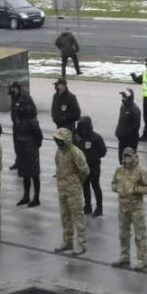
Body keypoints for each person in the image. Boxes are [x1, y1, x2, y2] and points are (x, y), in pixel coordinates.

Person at [111, 147, 147, 270]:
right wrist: (118, 188)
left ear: (134, 156)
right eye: (125, 156)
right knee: (123, 233)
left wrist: (135, 190)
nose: (127, 159)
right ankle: (124, 257)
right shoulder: (119, 170)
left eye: (129, 156)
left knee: (139, 234)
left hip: (136, 207)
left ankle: (142, 260)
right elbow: (113, 184)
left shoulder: (141, 171)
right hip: (123, 206)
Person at [53, 127, 91, 255]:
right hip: (62, 189)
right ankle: (67, 241)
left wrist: (75, 182)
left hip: (73, 190)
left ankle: (82, 244)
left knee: (78, 217)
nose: (58, 142)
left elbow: (85, 171)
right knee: (65, 217)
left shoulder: (76, 152)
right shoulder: (59, 152)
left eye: (60, 140)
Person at [74, 116, 107, 217]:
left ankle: (99, 207)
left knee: (95, 186)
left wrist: (94, 157)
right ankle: (87, 205)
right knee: (85, 186)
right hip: (83, 167)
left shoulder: (96, 137)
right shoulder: (78, 137)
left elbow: (103, 151)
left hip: (94, 166)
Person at [13, 104, 44, 208]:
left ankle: (36, 197)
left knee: (34, 174)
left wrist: (33, 145)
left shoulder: (32, 122)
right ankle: (26, 196)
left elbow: (39, 135)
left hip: (31, 150)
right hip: (23, 150)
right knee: (25, 174)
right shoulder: (20, 121)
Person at [115, 90, 141, 157]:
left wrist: (125, 135)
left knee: (129, 159)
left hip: (130, 141)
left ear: (129, 98)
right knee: (121, 158)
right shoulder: (123, 107)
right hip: (122, 139)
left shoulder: (135, 110)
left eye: (124, 97)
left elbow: (136, 127)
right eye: (122, 97)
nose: (123, 99)